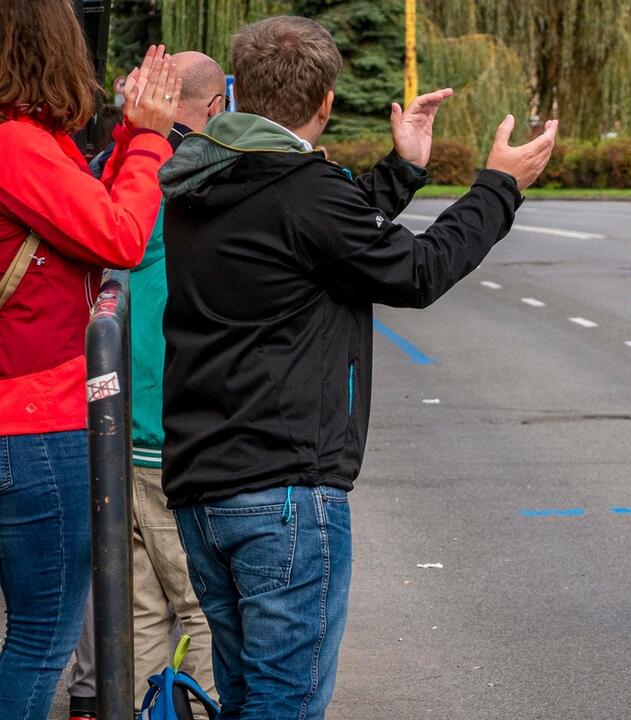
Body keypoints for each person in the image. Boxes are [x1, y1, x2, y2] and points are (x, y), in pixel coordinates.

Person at [157, 15, 557, 718]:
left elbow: (307, 242)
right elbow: (417, 271)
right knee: (285, 704)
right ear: (327, 103)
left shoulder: (199, 176)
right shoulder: (301, 188)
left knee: (248, 695)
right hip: (283, 489)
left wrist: (401, 171)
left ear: (237, 90)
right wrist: (498, 187)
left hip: (203, 487)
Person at [0, 1, 179, 716]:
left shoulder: (29, 141)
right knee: (44, 636)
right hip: (33, 424)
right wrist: (148, 141)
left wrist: (133, 136)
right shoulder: (15, 142)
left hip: (23, 417)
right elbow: (120, 236)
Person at [67, 51, 226, 720]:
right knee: (205, 607)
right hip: (173, 432)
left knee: (134, 613)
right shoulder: (190, 176)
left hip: (109, 427)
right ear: (216, 107)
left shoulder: (109, 169)